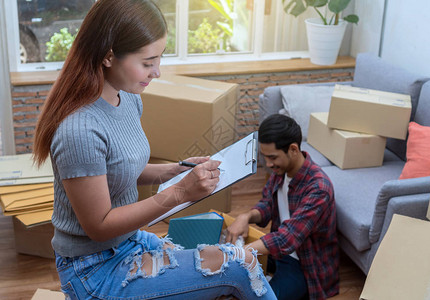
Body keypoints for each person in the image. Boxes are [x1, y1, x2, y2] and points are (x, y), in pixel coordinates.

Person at [32, 0, 277, 299]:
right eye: (148, 63)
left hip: (128, 242)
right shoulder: (79, 130)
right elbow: (99, 226)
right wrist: (179, 192)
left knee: (231, 263)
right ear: (109, 56)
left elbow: (120, 169)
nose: (157, 72)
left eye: (158, 59)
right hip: (94, 269)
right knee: (243, 265)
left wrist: (175, 170)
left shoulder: (128, 97)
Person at [226, 114, 339, 300]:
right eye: (265, 157)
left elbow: (288, 238)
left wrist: (240, 254)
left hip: (303, 264)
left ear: (293, 149)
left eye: (272, 157)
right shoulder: (281, 171)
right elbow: (266, 206)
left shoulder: (318, 189)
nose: (268, 164)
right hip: (277, 253)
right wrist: (244, 217)